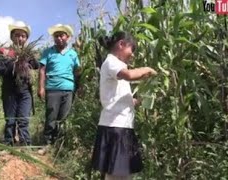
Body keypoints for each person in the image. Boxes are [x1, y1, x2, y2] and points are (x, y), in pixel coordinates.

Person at [91, 31, 157, 180]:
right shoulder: (112, 62)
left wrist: (136, 101)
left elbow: (116, 96)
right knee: (116, 173)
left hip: (121, 125)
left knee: (121, 172)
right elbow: (129, 75)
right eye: (131, 49)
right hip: (116, 126)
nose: (132, 55)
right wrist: (147, 69)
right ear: (121, 44)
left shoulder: (117, 66)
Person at [37, 24, 81, 155]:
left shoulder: (73, 54)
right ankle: (47, 143)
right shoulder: (48, 52)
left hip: (68, 89)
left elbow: (77, 71)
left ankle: (58, 144)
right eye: (56, 36)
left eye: (62, 35)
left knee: (63, 117)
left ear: (68, 37)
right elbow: (42, 70)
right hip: (52, 88)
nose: (59, 38)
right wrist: (41, 88)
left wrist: (80, 87)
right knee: (51, 116)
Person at [0, 21, 39, 146]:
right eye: (17, 35)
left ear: (26, 39)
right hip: (9, 91)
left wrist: (26, 57)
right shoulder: (3, 52)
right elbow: (0, 70)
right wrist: (14, 62)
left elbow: (36, 65)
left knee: (23, 119)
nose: (20, 38)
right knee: (10, 120)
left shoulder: (28, 53)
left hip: (25, 92)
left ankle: (25, 145)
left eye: (23, 36)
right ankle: (8, 144)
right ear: (12, 37)